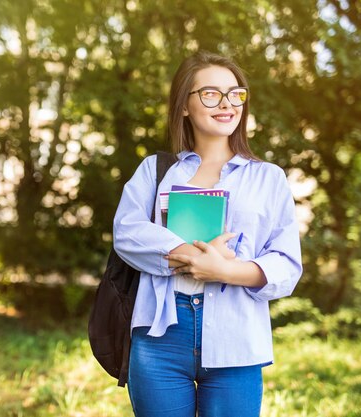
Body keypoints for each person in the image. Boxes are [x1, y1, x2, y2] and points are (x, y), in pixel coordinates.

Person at [112, 50, 303, 417]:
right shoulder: (156, 170)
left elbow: (286, 264)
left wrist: (224, 271)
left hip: (238, 337)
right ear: (185, 104)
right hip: (160, 336)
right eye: (211, 93)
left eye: (235, 94)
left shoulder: (269, 177)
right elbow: (127, 232)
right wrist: (191, 255)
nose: (227, 104)